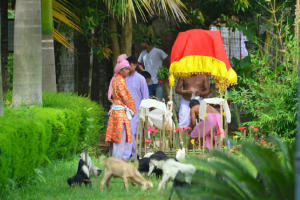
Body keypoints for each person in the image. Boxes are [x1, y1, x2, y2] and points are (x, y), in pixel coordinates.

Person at [105, 54, 136, 160]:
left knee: (118, 139)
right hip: (120, 113)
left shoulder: (116, 79)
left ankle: (115, 160)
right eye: (126, 69)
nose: (128, 71)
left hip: (117, 111)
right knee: (120, 139)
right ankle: (117, 161)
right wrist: (133, 108)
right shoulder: (120, 80)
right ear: (121, 70)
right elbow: (125, 97)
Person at [123, 56, 149, 161]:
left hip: (137, 111)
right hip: (124, 110)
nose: (129, 67)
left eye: (131, 64)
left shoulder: (141, 79)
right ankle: (130, 155)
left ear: (135, 65)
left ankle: (135, 155)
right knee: (126, 132)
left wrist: (144, 112)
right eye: (127, 64)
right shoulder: (123, 78)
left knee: (134, 132)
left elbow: (145, 96)